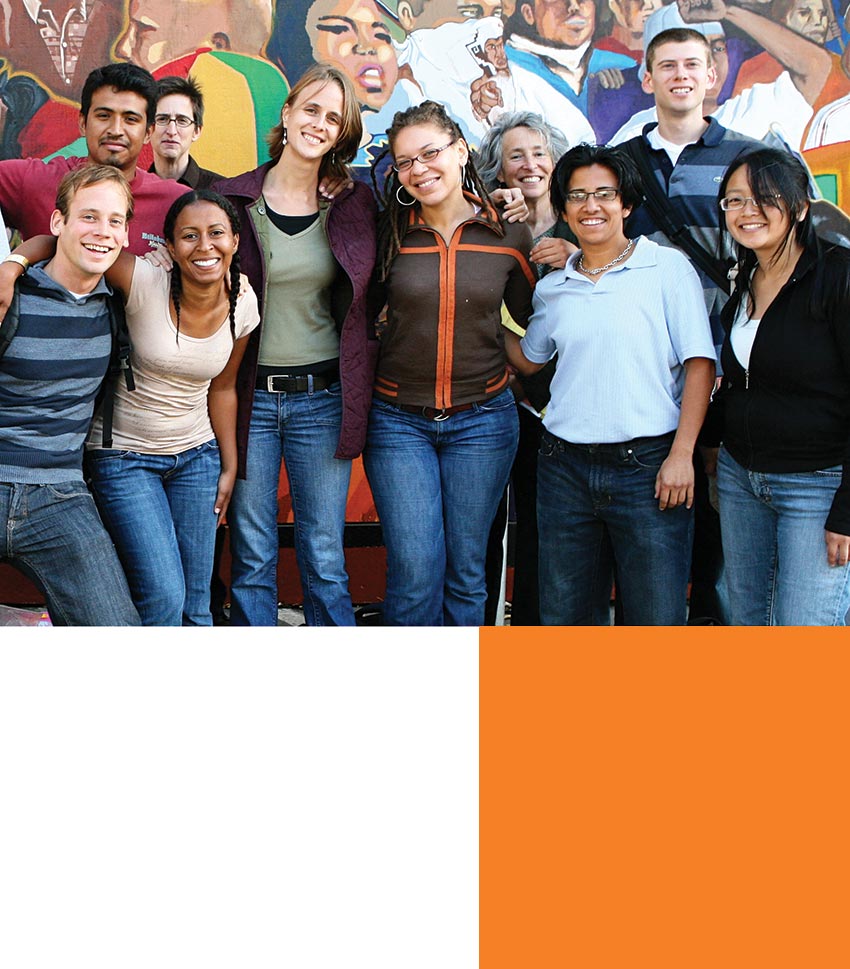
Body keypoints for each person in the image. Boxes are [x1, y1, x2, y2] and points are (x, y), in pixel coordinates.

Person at [9, 190, 260, 625]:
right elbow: (64, 241)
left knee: (196, 601)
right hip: (125, 457)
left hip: (197, 457)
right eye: (189, 236)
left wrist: (229, 465)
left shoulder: (244, 301)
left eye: (216, 233)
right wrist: (12, 264)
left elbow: (223, 389)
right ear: (169, 246)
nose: (204, 246)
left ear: (235, 240)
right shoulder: (143, 278)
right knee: (163, 595)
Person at [505, 144, 716, 625]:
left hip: (648, 468)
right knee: (567, 619)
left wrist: (682, 455)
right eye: (577, 195)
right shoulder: (553, 287)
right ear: (562, 209)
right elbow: (531, 361)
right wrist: (480, 320)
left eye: (604, 193)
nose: (590, 206)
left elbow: (700, 365)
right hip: (563, 469)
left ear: (626, 203)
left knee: (654, 619)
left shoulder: (666, 268)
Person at [214, 64, 377, 626]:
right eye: (311, 109)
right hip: (250, 401)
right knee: (254, 553)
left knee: (325, 555)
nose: (319, 123)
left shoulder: (354, 204)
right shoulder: (230, 201)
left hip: (322, 399)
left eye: (333, 118)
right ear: (286, 113)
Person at [365, 100, 535, 626]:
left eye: (431, 152)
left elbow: (534, 323)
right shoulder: (386, 232)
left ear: (461, 150)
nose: (420, 169)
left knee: (467, 574)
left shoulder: (510, 233)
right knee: (415, 572)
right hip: (398, 422)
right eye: (406, 161)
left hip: (482, 422)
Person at [616, 26, 760, 624]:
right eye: (667, 65)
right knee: (654, 504)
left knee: (724, 507)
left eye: (692, 65)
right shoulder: (617, 163)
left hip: (731, 365)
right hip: (644, 366)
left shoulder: (752, 157)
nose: (680, 75)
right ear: (647, 80)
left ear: (711, 76)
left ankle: (713, 628)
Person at [710, 148, 850, 625]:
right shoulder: (744, 276)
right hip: (740, 479)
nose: (747, 213)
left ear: (800, 206)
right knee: (749, 623)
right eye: (734, 201)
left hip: (819, 485)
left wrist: (848, 513)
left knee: (805, 630)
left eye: (764, 199)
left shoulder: (838, 274)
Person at [0, 165, 139, 626]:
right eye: (89, 217)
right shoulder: (9, 296)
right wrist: (14, 263)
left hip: (59, 496)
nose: (102, 232)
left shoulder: (118, 306)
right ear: (58, 223)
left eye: (115, 220)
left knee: (117, 632)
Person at [476, 111, 572, 625]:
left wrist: (575, 256)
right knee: (484, 531)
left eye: (538, 153)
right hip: (494, 398)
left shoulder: (582, 228)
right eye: (516, 155)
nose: (529, 164)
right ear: (499, 169)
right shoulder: (487, 226)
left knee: (547, 532)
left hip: (559, 407)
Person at [0, 63, 188, 254]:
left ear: (149, 132)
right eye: (104, 116)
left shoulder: (176, 203)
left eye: (130, 119)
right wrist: (11, 265)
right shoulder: (32, 182)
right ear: (83, 123)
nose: (115, 130)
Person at [149, 76, 223, 189]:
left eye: (182, 121)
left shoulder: (222, 190)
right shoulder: (131, 192)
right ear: (148, 128)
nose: (171, 131)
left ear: (197, 131)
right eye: (162, 119)